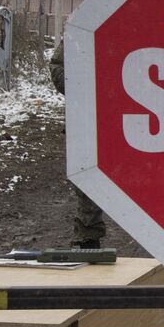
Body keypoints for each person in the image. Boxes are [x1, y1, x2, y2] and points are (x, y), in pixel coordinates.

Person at [49, 40, 108, 249]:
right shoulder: (84, 27)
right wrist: (82, 90)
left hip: (141, 118)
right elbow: (58, 65)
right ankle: (88, 236)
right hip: (87, 116)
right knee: (87, 175)